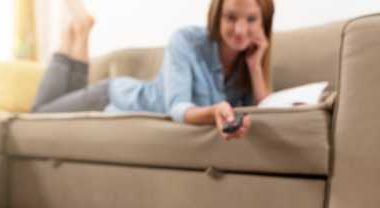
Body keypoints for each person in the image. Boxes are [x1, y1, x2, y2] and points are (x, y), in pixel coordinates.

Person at [32, 0, 274, 141]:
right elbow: (177, 107)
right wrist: (213, 112)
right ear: (217, 16)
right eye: (231, 17)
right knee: (37, 115)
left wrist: (255, 66)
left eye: (251, 20)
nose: (241, 30)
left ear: (263, 22)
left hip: (115, 97)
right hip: (114, 96)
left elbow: (266, 113)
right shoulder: (187, 41)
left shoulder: (247, 65)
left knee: (50, 109)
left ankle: (80, 30)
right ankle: (74, 32)